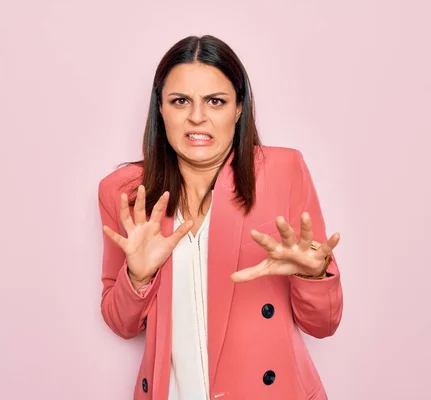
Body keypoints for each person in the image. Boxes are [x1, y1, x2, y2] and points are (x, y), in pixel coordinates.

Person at [97, 34, 343, 400]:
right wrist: (138, 276)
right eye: (180, 101)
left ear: (239, 107)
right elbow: (122, 325)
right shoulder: (127, 193)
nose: (198, 117)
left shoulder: (281, 171)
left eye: (215, 101)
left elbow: (323, 325)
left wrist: (312, 275)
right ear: (160, 108)